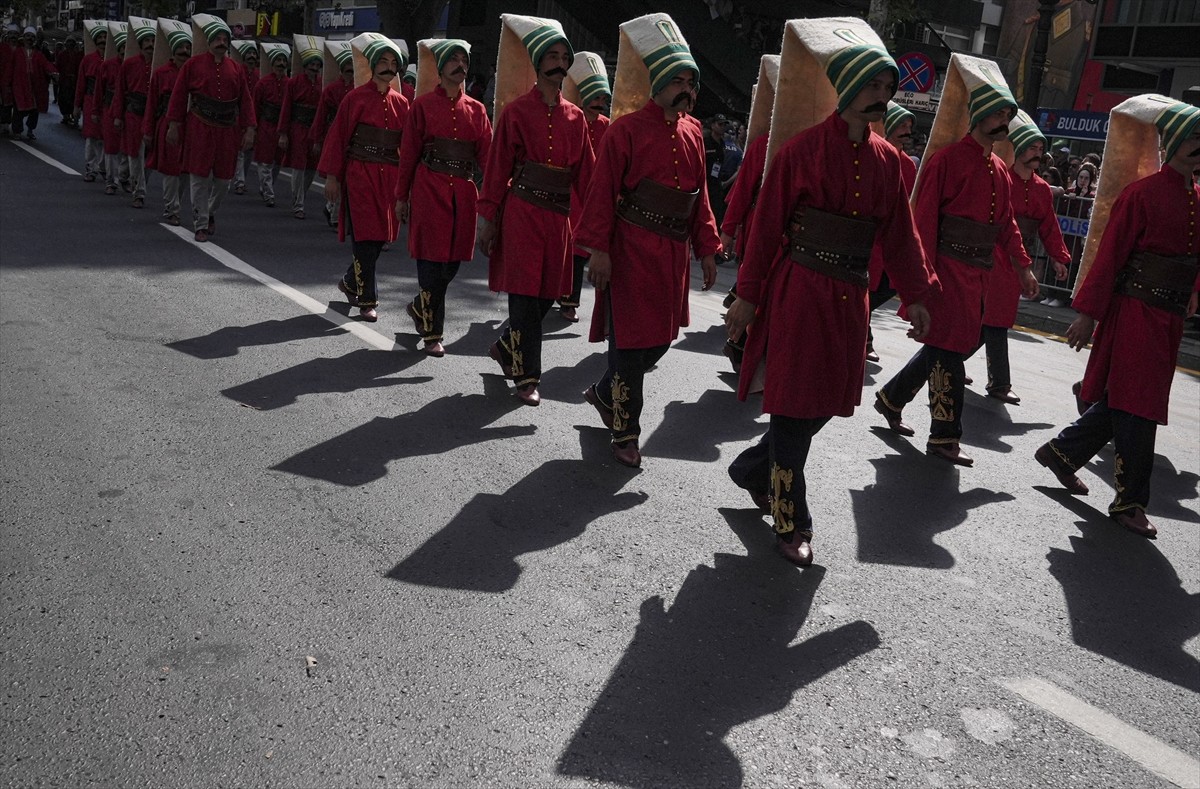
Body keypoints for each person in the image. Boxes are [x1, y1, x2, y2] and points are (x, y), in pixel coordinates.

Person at [724, 18, 937, 566]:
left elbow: (900, 234)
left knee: (819, 407)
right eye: (872, 86)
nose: (882, 98)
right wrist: (746, 297)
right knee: (794, 409)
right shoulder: (799, 152)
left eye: (888, 89)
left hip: (851, 298)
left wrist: (917, 294)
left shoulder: (892, 163)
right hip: (799, 292)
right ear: (846, 90)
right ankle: (792, 521)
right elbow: (768, 227)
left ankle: (752, 470)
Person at [1036, 96, 1199, 539]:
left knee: (1130, 399)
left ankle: (1062, 453)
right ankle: (1129, 500)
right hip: (1135, 312)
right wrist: (1088, 314)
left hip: (1168, 317)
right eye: (1195, 138)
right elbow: (1110, 257)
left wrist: (1192, 294)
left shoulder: (1198, 197)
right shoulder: (1141, 194)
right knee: (1137, 406)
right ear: (1176, 142)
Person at [874, 53, 1035, 467]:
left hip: (977, 277)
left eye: (1007, 114)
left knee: (947, 349)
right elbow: (922, 225)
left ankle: (892, 398)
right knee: (947, 352)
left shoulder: (999, 169)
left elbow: (1007, 226)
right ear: (979, 116)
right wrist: (920, 285)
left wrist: (1023, 265)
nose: (1003, 121)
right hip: (945, 274)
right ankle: (944, 436)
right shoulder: (945, 162)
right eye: (997, 113)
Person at [576, 13, 719, 468]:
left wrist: (708, 247)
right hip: (630, 250)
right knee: (630, 347)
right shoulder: (625, 130)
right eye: (676, 80)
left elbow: (700, 198)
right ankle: (625, 431)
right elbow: (600, 194)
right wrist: (598, 249)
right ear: (656, 84)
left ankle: (603, 393)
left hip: (672, 255)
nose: (686, 90)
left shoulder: (695, 132)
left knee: (656, 343)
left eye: (690, 82)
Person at [476, 13, 595, 406]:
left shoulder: (577, 117)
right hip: (522, 212)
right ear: (539, 61)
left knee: (546, 296)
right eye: (553, 55)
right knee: (525, 298)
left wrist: (603, 223)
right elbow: (496, 171)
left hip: (558, 219)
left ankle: (507, 347)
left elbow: (589, 177)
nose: (560, 61)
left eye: (565, 55)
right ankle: (527, 377)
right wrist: (488, 219)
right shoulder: (515, 112)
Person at [395, 38, 492, 356]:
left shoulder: (477, 110)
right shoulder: (422, 105)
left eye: (464, 58)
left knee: (451, 265)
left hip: (464, 193)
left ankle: (419, 306)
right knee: (430, 261)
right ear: (440, 67)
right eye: (452, 59)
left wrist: (495, 200)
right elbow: (409, 153)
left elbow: (489, 158)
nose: (459, 64)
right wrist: (401, 196)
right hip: (428, 189)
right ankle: (433, 333)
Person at [967, 110, 1071, 403]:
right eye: (1032, 148)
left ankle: (951, 359)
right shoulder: (1003, 178)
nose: (1037, 154)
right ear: (1019, 148)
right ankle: (999, 382)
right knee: (995, 319)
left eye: (1041, 149)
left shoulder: (1041, 189)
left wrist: (1058, 257)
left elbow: (1049, 226)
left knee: (990, 319)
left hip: (1018, 260)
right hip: (996, 254)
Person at [319, 32, 410, 322]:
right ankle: (367, 299)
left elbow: (408, 147)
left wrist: (407, 187)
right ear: (372, 65)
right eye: (382, 61)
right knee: (365, 236)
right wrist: (332, 177)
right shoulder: (354, 98)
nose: (387, 66)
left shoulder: (403, 103)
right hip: (359, 173)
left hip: (390, 177)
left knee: (380, 236)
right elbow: (337, 138)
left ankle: (349, 281)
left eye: (392, 61)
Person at [165, 14, 256, 242]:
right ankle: (200, 224)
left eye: (225, 38)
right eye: (217, 38)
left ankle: (210, 212)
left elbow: (245, 100)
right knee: (199, 177)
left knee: (224, 181)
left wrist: (250, 128)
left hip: (227, 129)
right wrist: (174, 125)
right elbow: (178, 97)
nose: (221, 42)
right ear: (208, 41)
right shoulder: (192, 65)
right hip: (200, 126)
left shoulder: (236, 68)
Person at [718, 54, 778, 371]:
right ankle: (739, 343)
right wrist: (728, 231)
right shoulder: (764, 144)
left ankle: (743, 345)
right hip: (758, 228)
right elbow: (743, 191)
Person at [558, 50, 610, 323]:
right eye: (594, 97)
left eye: (603, 98)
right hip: (565, 193)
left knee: (579, 251)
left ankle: (570, 301)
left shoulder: (608, 127)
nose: (599, 103)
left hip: (591, 197)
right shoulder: (569, 120)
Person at [865, 100, 919, 363]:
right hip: (869, 236)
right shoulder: (873, 154)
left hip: (893, 237)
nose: (906, 130)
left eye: (909, 125)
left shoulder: (909, 165)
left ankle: (862, 331)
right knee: (865, 286)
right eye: (901, 125)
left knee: (886, 286)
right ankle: (865, 338)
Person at [143, 18, 191, 226]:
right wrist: (148, 130)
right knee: (171, 169)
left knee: (185, 170)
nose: (184, 51)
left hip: (191, 127)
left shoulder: (194, 72)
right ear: (172, 51)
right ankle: (171, 208)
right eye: (180, 47)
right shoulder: (161, 74)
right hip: (167, 125)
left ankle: (177, 204)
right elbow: (152, 104)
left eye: (188, 47)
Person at [279, 35, 324, 220]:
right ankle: (298, 203)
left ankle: (302, 196)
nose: (314, 68)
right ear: (305, 66)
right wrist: (283, 133)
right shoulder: (294, 83)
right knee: (298, 166)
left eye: (317, 65)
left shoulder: (323, 84)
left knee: (312, 166)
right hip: (298, 127)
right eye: (311, 65)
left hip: (315, 128)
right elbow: (286, 108)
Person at [111, 18, 155, 209]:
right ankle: (139, 192)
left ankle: (124, 175)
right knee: (135, 153)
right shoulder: (129, 64)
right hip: (134, 114)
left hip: (153, 114)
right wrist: (118, 116)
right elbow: (120, 91)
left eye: (153, 42)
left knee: (151, 155)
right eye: (146, 42)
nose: (150, 45)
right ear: (140, 45)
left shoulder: (160, 66)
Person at [313, 40, 354, 228]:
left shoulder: (357, 90)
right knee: (334, 174)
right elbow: (321, 114)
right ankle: (332, 209)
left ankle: (334, 211)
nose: (350, 75)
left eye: (353, 71)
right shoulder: (330, 90)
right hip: (333, 133)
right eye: (347, 71)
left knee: (346, 176)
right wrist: (317, 138)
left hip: (352, 137)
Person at [251, 42, 289, 209]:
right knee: (264, 162)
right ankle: (268, 193)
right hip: (266, 125)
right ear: (272, 64)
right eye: (278, 61)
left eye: (283, 61)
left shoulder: (290, 84)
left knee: (278, 162)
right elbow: (255, 106)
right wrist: (254, 128)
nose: (281, 64)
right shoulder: (263, 83)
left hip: (281, 127)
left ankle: (267, 187)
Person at [8, 26, 57, 141]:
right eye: (28, 36)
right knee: (18, 110)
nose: (30, 38)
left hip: (34, 86)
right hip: (19, 85)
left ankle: (30, 130)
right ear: (23, 37)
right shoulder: (17, 52)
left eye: (32, 37)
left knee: (34, 111)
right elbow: (10, 67)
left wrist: (54, 72)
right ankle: (17, 131)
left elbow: (46, 64)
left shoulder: (38, 54)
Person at [97, 24, 128, 192]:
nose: (124, 50)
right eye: (122, 47)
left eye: (127, 47)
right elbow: (99, 91)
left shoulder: (133, 65)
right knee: (110, 146)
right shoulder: (107, 65)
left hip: (129, 111)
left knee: (127, 147)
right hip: (109, 109)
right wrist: (96, 110)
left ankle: (122, 176)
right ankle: (111, 181)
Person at [75, 21, 107, 180]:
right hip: (89, 100)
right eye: (100, 37)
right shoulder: (87, 60)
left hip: (106, 102)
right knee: (91, 136)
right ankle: (90, 168)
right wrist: (77, 105)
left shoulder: (112, 60)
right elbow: (81, 84)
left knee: (105, 136)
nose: (102, 40)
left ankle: (102, 166)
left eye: (105, 37)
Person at [229, 40, 259, 195]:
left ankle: (242, 178)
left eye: (254, 53)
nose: (251, 56)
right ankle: (239, 181)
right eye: (249, 53)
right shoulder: (237, 72)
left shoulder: (258, 75)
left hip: (253, 116)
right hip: (237, 115)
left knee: (248, 152)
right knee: (239, 150)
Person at [702, 113, 729, 222]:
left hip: (716, 184)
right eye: (720, 124)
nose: (722, 127)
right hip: (705, 182)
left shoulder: (722, 143)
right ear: (713, 125)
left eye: (724, 125)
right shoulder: (705, 142)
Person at [55, 37, 81, 127]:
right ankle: (66, 116)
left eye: (72, 43)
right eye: (68, 43)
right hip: (64, 81)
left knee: (74, 99)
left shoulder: (78, 55)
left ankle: (74, 116)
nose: (70, 45)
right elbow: (58, 66)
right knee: (63, 99)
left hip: (75, 81)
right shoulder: (62, 55)